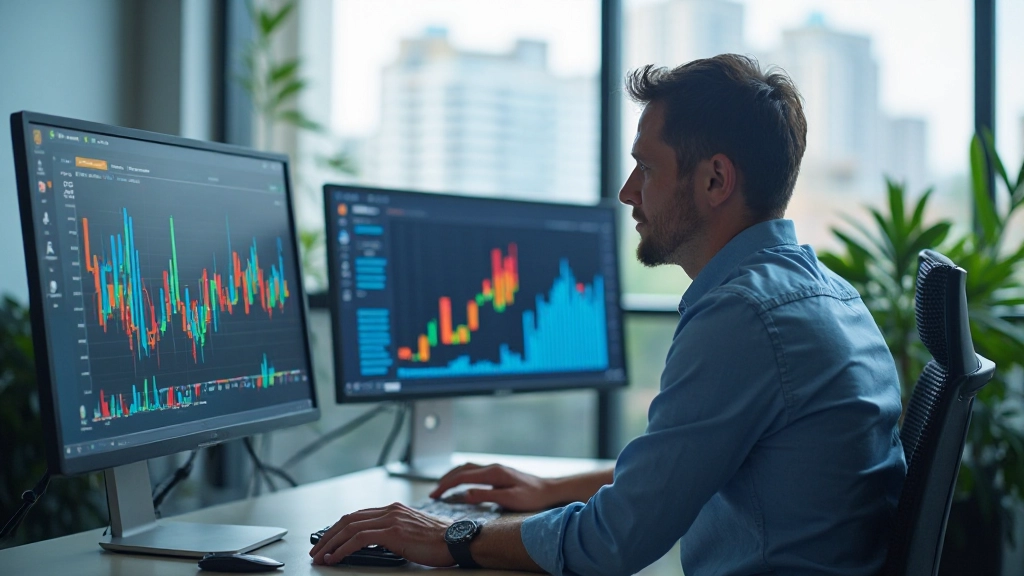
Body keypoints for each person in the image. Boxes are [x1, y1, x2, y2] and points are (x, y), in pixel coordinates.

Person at [310, 54, 907, 575]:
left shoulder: (744, 317)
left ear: (716, 179)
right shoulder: (827, 294)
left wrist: (450, 535)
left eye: (646, 168)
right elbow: (681, 471)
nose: (627, 191)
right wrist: (549, 489)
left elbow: (611, 543)